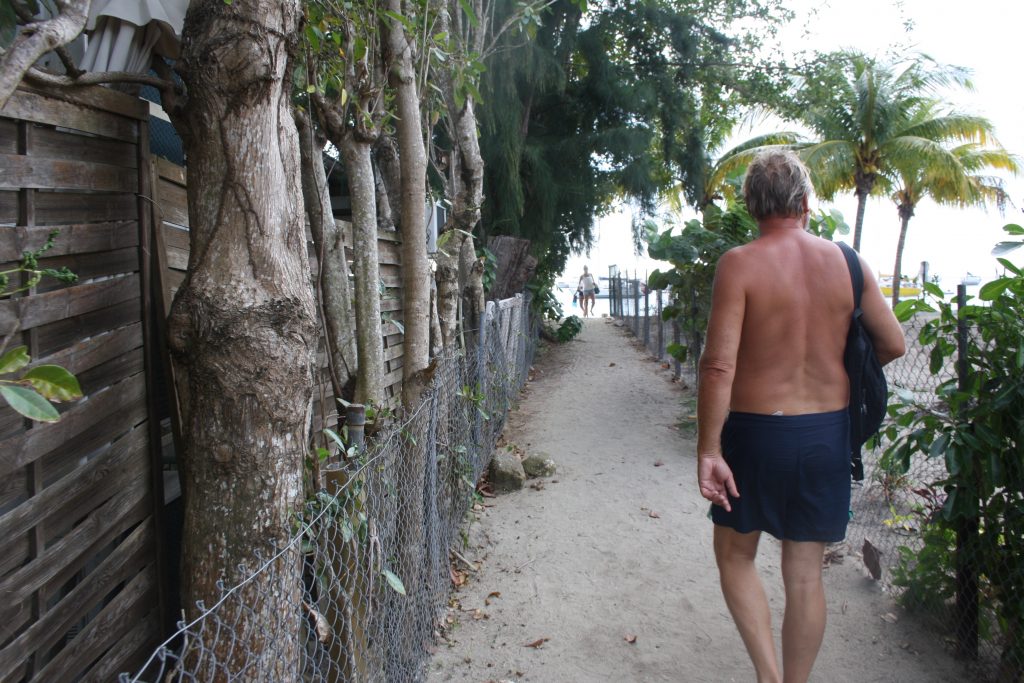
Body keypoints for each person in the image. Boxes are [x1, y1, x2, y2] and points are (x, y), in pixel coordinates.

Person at [696, 150, 905, 683]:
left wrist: (709, 451)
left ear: (751, 206)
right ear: (806, 202)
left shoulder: (740, 263)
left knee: (736, 557)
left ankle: (768, 676)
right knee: (806, 574)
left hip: (757, 433)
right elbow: (894, 344)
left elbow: (718, 364)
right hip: (826, 435)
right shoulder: (849, 263)